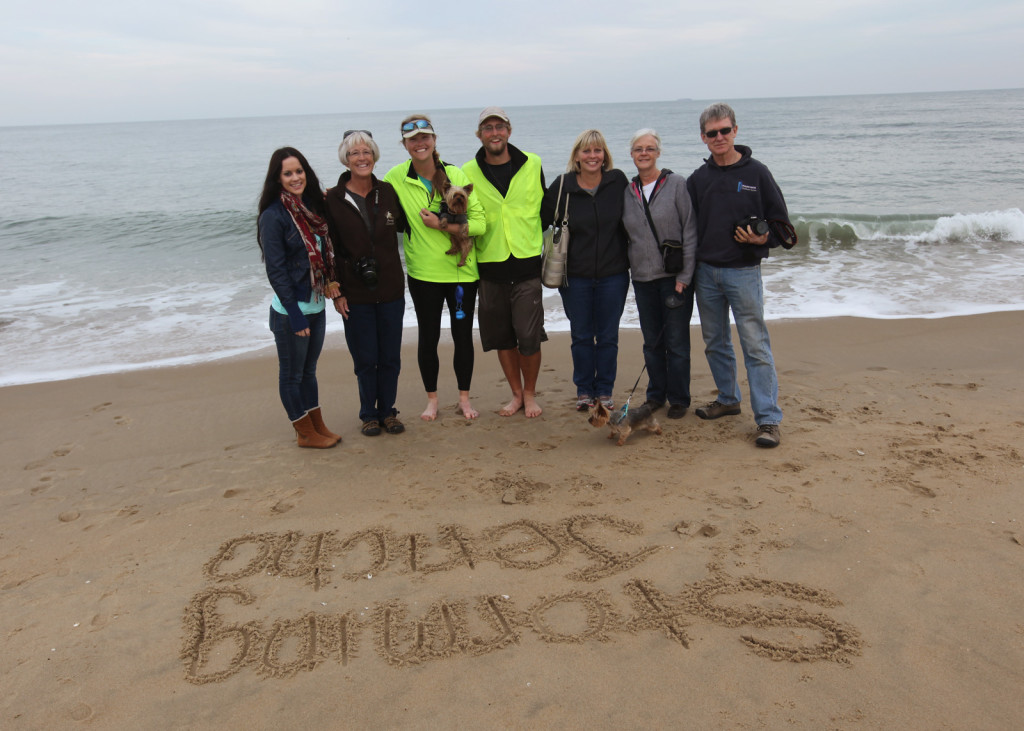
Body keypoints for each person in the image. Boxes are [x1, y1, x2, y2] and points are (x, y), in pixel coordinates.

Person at [686, 103, 793, 448]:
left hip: (744, 273)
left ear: (735, 131)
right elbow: (688, 230)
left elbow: (783, 225)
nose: (719, 137)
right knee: (715, 343)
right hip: (706, 274)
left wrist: (765, 238)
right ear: (703, 137)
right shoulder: (697, 180)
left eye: (725, 130)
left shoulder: (757, 173)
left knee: (755, 346)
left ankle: (768, 420)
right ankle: (728, 400)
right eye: (712, 133)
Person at [383, 114, 486, 421]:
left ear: (434, 140)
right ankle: (432, 401)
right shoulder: (394, 177)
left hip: (461, 274)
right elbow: (370, 200)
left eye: (425, 137)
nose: (420, 143)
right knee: (427, 338)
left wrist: (443, 226)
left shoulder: (456, 174)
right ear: (405, 145)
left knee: (462, 336)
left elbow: (480, 224)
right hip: (423, 274)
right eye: (413, 139)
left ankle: (464, 400)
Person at [462, 106, 547, 418]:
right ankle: (516, 394)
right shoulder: (466, 171)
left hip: (526, 264)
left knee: (529, 336)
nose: (494, 132)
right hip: (489, 266)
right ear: (479, 134)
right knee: (503, 337)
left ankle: (530, 393)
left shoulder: (533, 163)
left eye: (499, 126)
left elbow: (547, 207)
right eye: (488, 128)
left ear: (509, 131)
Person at [257, 147, 342, 448]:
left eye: (299, 171)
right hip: (290, 311)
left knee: (308, 372)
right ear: (277, 179)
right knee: (291, 375)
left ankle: (317, 426)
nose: (295, 177)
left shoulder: (312, 209)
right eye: (288, 173)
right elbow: (276, 270)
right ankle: (305, 433)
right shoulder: (273, 216)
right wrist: (294, 313)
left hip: (316, 306)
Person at [324, 130, 407, 437]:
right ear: (346, 159)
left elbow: (410, 223)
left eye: (367, 152)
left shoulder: (387, 192)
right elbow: (327, 246)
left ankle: (388, 411)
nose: (362, 158)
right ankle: (368, 414)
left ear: (375, 156)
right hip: (354, 293)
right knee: (365, 359)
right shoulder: (332, 198)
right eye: (355, 153)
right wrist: (335, 291)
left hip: (390, 289)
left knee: (390, 357)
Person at [540, 129, 629, 411]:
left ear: (605, 156)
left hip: (613, 275)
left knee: (607, 336)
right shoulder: (562, 185)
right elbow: (540, 218)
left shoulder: (617, 181)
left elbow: (637, 215)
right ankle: (583, 391)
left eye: (598, 150)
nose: (592, 156)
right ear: (576, 156)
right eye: (587, 151)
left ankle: (604, 391)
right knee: (581, 335)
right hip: (574, 277)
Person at [621, 128, 698, 420]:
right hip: (642, 279)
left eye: (649, 148)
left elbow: (690, 230)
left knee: (676, 342)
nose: (644, 153)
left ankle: (679, 398)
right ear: (632, 154)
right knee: (651, 341)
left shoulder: (677, 184)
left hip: (674, 278)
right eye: (639, 148)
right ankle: (655, 396)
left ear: (658, 153)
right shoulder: (628, 191)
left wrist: (685, 277)